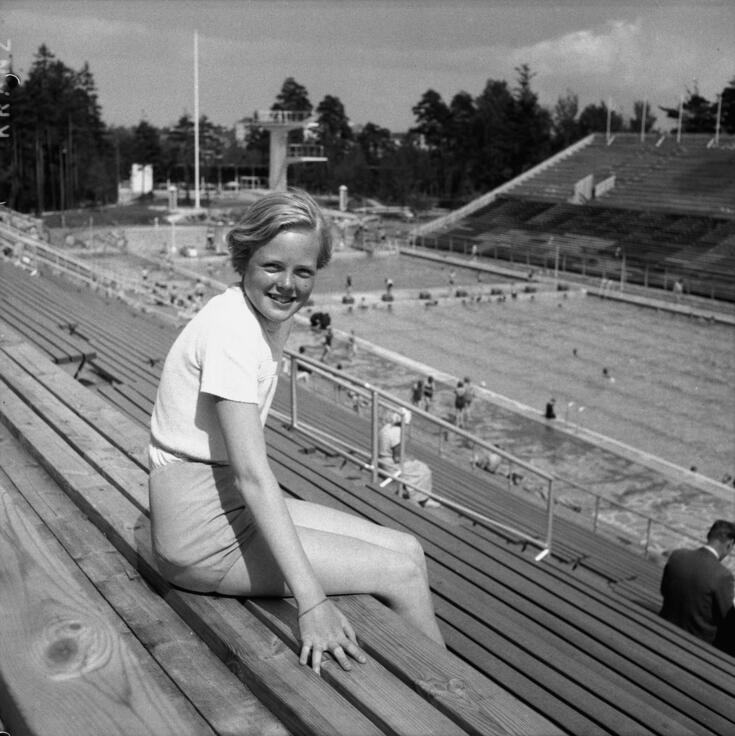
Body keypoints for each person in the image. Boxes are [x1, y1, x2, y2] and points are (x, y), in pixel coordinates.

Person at [148, 189, 444, 678]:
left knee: (408, 547)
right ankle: (459, 707)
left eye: (303, 271)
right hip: (200, 534)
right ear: (244, 259)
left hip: (219, 501)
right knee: (403, 573)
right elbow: (251, 474)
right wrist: (312, 604)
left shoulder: (249, 315)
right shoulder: (234, 333)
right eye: (273, 267)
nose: (287, 284)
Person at [660, 520, 735, 650]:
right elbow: (726, 621)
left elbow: (663, 590)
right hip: (698, 646)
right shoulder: (722, 575)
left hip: (663, 629)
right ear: (729, 544)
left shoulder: (678, 555)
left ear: (709, 536)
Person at [378, 408, 440, 509]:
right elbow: (398, 458)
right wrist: (410, 460)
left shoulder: (386, 427)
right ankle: (421, 499)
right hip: (390, 466)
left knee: (419, 465)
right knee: (424, 470)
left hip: (383, 461)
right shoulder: (397, 432)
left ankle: (416, 495)